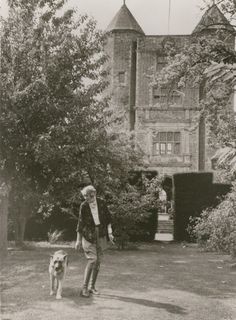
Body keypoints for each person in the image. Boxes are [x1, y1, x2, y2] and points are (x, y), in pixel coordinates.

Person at [75, 185, 114, 297]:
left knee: (98, 262)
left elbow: (108, 219)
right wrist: (78, 240)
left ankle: (92, 287)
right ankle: (84, 289)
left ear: (94, 194)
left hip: (101, 234)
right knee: (93, 260)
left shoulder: (102, 203)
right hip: (88, 235)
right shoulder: (84, 206)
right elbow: (80, 224)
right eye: (85, 196)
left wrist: (110, 233)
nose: (86, 198)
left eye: (88, 196)